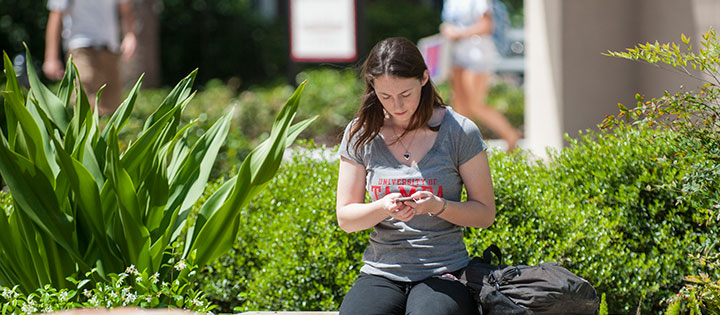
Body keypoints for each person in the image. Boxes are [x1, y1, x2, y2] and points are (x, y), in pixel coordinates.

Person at [336, 37, 497, 315]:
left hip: (445, 271)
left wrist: (439, 206)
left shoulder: (459, 131)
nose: (397, 105)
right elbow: (346, 218)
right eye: (385, 96)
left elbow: (485, 214)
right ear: (372, 87)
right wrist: (382, 208)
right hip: (381, 271)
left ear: (424, 77)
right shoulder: (360, 133)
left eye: (405, 94)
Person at [441, 0, 521, 151]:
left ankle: (510, 136)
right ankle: (464, 150)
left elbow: (486, 26)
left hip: (478, 57)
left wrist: (458, 33)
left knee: (476, 105)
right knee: (460, 108)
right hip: (457, 56)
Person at [43, 0, 137, 116]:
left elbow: (125, 8)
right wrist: (51, 58)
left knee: (114, 109)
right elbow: (56, 14)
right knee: (84, 105)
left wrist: (130, 35)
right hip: (81, 48)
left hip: (110, 49)